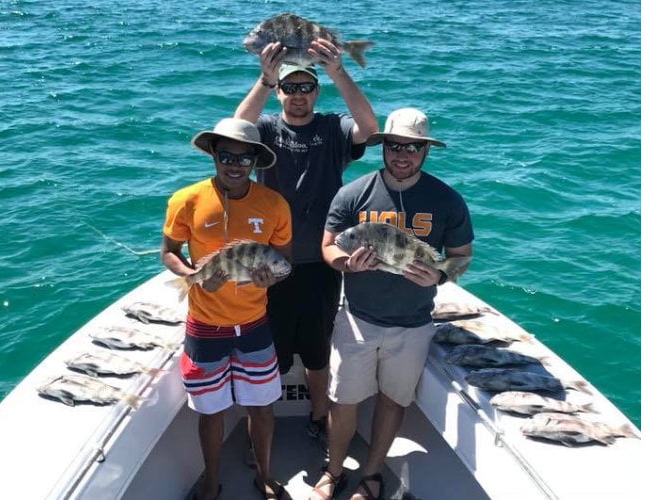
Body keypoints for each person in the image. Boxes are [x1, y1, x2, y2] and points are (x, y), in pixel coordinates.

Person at [316, 108, 473, 500]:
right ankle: (332, 471)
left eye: (413, 148)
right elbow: (328, 246)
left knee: (392, 400)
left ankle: (370, 476)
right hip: (357, 320)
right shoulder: (354, 193)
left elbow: (460, 256)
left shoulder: (447, 199)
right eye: (395, 146)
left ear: (425, 151)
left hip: (414, 323)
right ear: (383, 147)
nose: (403, 155)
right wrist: (346, 265)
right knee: (344, 400)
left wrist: (438, 275)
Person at [232, 36, 378, 441]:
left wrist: (338, 70)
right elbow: (235, 128)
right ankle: (266, 426)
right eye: (289, 87)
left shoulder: (333, 127)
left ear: (316, 91)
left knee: (317, 353)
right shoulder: (264, 128)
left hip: (321, 260)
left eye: (306, 87)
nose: (298, 95)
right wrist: (263, 78)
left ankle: (317, 416)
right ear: (279, 92)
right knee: (269, 353)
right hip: (270, 260)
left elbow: (370, 128)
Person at [163, 118, 292, 500]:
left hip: (254, 324)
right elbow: (168, 252)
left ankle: (264, 475)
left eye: (243, 157)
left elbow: (284, 261)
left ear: (254, 160)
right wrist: (192, 275)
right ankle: (211, 479)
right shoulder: (185, 199)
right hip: (204, 326)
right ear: (213, 156)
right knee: (209, 411)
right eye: (226, 156)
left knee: (262, 407)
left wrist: (274, 278)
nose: (234, 164)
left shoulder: (273, 204)